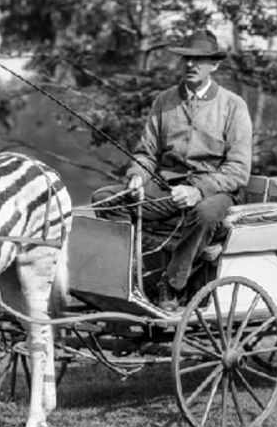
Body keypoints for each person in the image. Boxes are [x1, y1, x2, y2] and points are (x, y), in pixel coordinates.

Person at [92, 29, 252, 311]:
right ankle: (132, 275)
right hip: (166, 192)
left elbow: (238, 170)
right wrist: (136, 177)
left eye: (200, 60)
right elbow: (146, 153)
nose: (191, 65)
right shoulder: (164, 101)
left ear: (214, 64)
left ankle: (173, 284)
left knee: (205, 213)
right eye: (187, 59)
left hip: (215, 193)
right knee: (105, 198)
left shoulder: (233, 106)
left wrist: (198, 190)